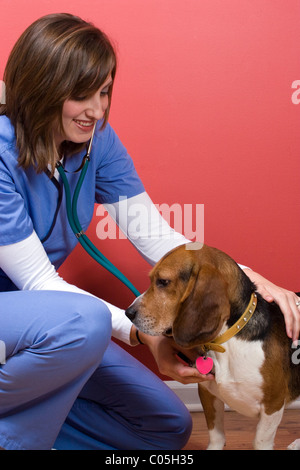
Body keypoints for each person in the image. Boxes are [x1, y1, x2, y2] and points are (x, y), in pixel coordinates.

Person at [0, 13, 299, 451]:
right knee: (85, 322)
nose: (98, 110)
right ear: (41, 86)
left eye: (104, 92)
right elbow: (39, 284)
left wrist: (250, 277)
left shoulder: (95, 140)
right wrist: (143, 333)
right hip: (31, 315)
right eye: (81, 95)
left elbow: (159, 237)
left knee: (164, 426)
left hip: (51, 330)